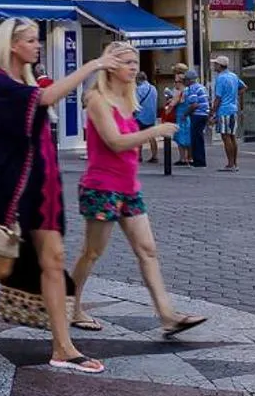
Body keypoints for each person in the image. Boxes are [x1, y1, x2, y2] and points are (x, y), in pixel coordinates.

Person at [0, 19, 136, 374]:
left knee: (53, 261)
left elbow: (44, 98)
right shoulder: (0, 84)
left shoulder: (28, 81)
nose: (37, 45)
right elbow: (47, 97)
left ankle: (63, 347)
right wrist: (94, 65)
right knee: (0, 266)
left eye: (38, 40)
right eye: (30, 40)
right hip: (10, 190)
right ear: (12, 45)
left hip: (43, 188)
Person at [67, 44, 205, 337]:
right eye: (127, 62)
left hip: (129, 188)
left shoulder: (127, 99)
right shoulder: (97, 99)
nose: (133, 67)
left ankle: (167, 315)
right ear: (111, 66)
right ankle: (70, 305)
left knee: (148, 251)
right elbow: (115, 142)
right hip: (102, 187)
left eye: (135, 62)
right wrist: (155, 131)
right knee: (91, 252)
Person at [210, 56, 243, 170]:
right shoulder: (233, 76)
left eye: (215, 64)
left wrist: (212, 112)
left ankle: (230, 164)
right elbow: (244, 87)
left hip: (224, 110)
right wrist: (234, 95)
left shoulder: (221, 78)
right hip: (233, 109)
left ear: (220, 65)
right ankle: (235, 163)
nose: (214, 66)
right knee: (232, 136)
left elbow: (218, 98)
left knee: (226, 137)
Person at [179, 67, 210, 169]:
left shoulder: (192, 88)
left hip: (197, 115)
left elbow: (194, 104)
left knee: (196, 138)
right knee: (199, 138)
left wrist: (185, 114)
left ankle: (199, 161)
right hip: (204, 114)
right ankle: (199, 160)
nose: (184, 82)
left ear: (189, 80)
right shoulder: (201, 87)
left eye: (185, 80)